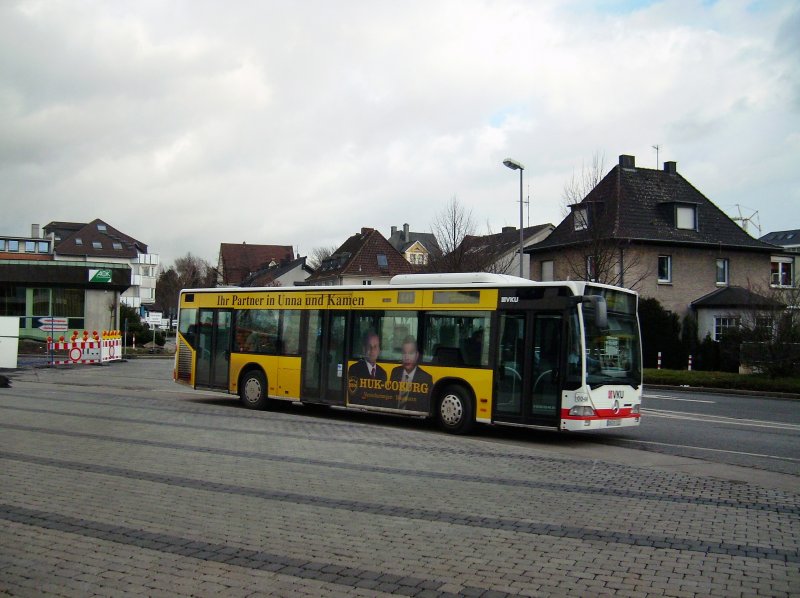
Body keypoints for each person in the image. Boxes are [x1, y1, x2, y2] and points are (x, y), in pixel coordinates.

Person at [390, 336, 433, 409]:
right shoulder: (395, 372)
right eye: (404, 353)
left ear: (417, 355)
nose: (407, 357)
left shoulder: (426, 378)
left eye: (410, 353)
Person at [348, 329, 387, 403]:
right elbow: (354, 397)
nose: (372, 350)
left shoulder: (383, 373)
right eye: (369, 346)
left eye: (375, 347)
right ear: (364, 349)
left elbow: (383, 399)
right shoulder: (354, 369)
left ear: (379, 350)